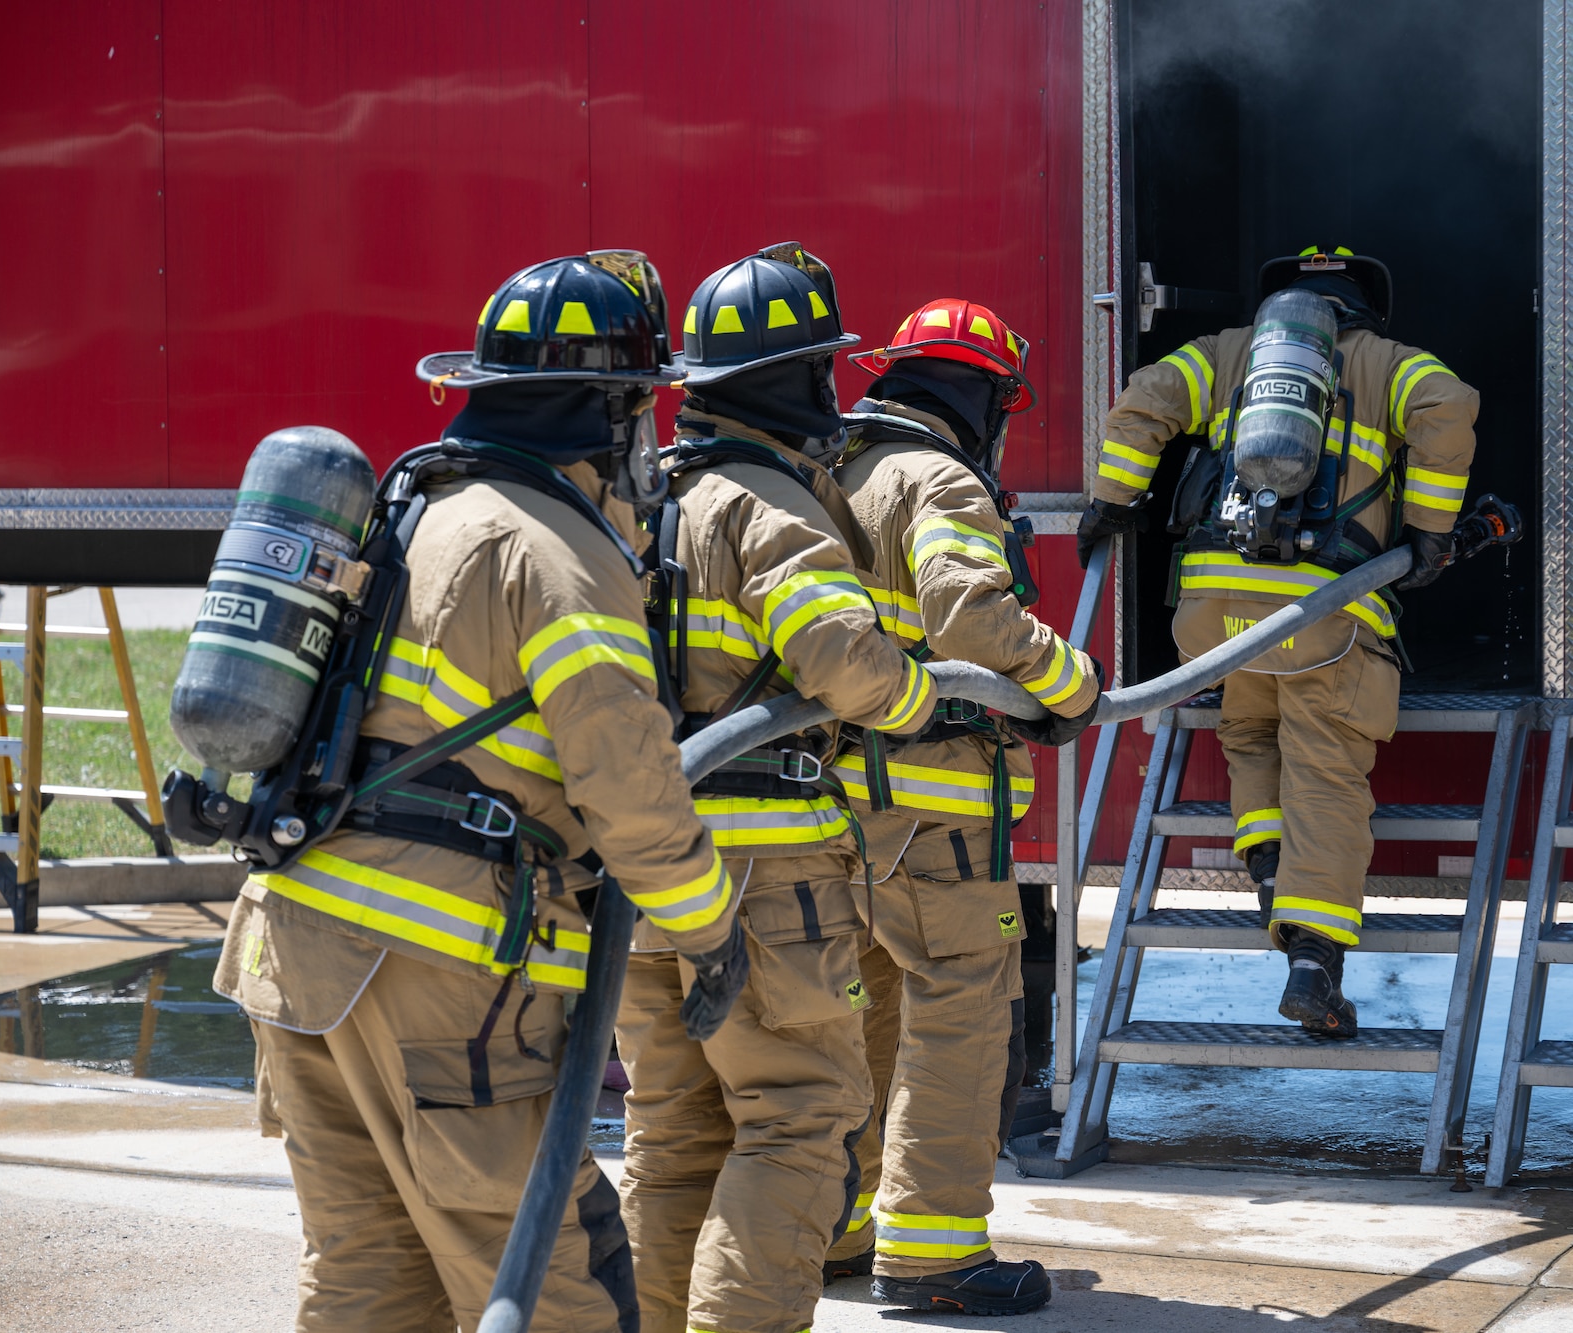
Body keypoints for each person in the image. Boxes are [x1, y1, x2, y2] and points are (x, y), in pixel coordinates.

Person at [213, 251, 741, 1331]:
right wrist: (711, 928)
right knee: (557, 1286)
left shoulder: (415, 510)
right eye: (637, 408)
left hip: (293, 947)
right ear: (605, 411)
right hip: (437, 983)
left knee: (370, 1279)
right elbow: (632, 786)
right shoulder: (556, 554)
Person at [614, 243, 944, 1333]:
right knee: (801, 1123)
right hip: (766, 882)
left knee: (672, 1139)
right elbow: (844, 665)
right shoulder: (766, 507)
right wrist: (916, 700)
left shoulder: (647, 501)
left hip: (646, 879)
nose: (834, 394)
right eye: (822, 371)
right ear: (793, 379)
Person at [1078, 247, 1477, 1037]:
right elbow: (1447, 406)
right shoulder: (1387, 362)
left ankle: (1267, 866)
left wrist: (1112, 499)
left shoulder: (1225, 353)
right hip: (1321, 611)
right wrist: (1431, 533)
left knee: (1251, 729)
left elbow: (1144, 400)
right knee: (1325, 768)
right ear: (1365, 305)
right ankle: (1312, 961)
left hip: (1213, 614)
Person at [819, 299, 1100, 1315]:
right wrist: (1069, 682)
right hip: (930, 808)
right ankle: (933, 1256)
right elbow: (969, 615)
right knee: (958, 1020)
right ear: (984, 397)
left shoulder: (824, 474)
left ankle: (839, 1228)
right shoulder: (936, 478)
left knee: (859, 1021)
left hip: (826, 806)